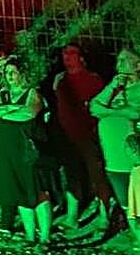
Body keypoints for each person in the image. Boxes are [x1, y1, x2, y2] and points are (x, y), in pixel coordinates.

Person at [0, 55, 52, 243]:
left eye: (13, 72)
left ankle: (44, 237)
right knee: (18, 191)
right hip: (7, 151)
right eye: (6, 72)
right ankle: (30, 235)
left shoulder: (31, 93)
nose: (9, 76)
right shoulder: (2, 93)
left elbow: (28, 113)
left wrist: (5, 110)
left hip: (27, 151)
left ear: (22, 74)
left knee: (37, 192)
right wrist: (9, 107)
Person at [51, 43, 110, 233]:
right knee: (72, 174)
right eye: (64, 53)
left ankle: (104, 215)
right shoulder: (60, 80)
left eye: (71, 53)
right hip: (66, 135)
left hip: (88, 134)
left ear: (81, 57)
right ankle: (72, 215)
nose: (66, 57)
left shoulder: (93, 79)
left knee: (97, 175)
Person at [90, 48, 140, 224]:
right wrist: (112, 88)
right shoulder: (113, 89)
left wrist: (107, 111)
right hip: (113, 161)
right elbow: (94, 107)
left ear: (138, 65)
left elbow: (134, 112)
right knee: (128, 209)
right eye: (118, 61)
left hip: (133, 162)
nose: (120, 65)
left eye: (125, 60)